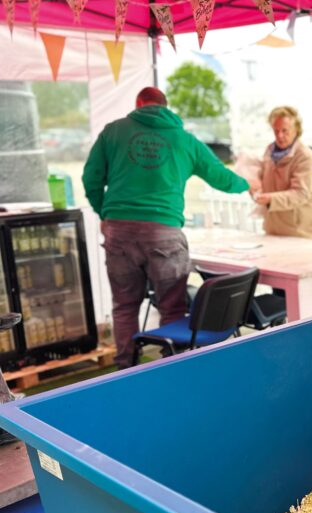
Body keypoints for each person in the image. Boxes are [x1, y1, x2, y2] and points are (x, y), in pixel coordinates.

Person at [83, 86, 251, 369]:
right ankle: (171, 367)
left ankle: (125, 368)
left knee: (124, 306)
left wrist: (105, 213)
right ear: (165, 107)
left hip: (119, 231)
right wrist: (248, 184)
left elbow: (91, 178)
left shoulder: (113, 132)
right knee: (172, 307)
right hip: (164, 232)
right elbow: (221, 178)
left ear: (139, 104)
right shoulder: (184, 140)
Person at [252, 106, 312, 239]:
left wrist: (270, 199)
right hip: (274, 230)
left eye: (285, 131)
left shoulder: (304, 155)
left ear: (296, 129)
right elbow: (264, 180)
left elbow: (301, 194)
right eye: (276, 131)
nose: (280, 136)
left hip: (301, 232)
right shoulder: (269, 150)